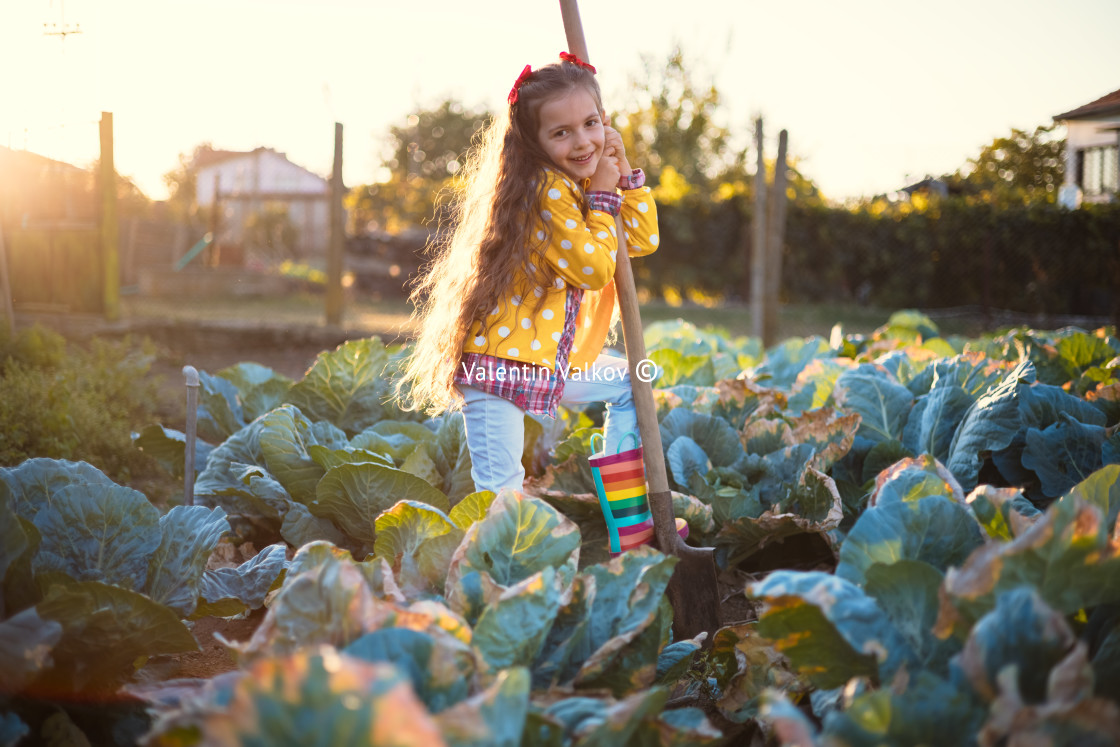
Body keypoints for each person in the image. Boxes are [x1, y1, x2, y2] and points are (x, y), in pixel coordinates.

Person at [396, 52, 660, 497]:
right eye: (562, 132)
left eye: (591, 124)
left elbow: (638, 241)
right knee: (501, 494)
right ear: (533, 142)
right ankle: (493, 563)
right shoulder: (544, 189)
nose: (582, 142)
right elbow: (596, 268)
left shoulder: (577, 181)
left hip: (547, 360)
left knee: (637, 381)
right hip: (499, 366)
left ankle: (623, 505)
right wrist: (600, 197)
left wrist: (624, 174)